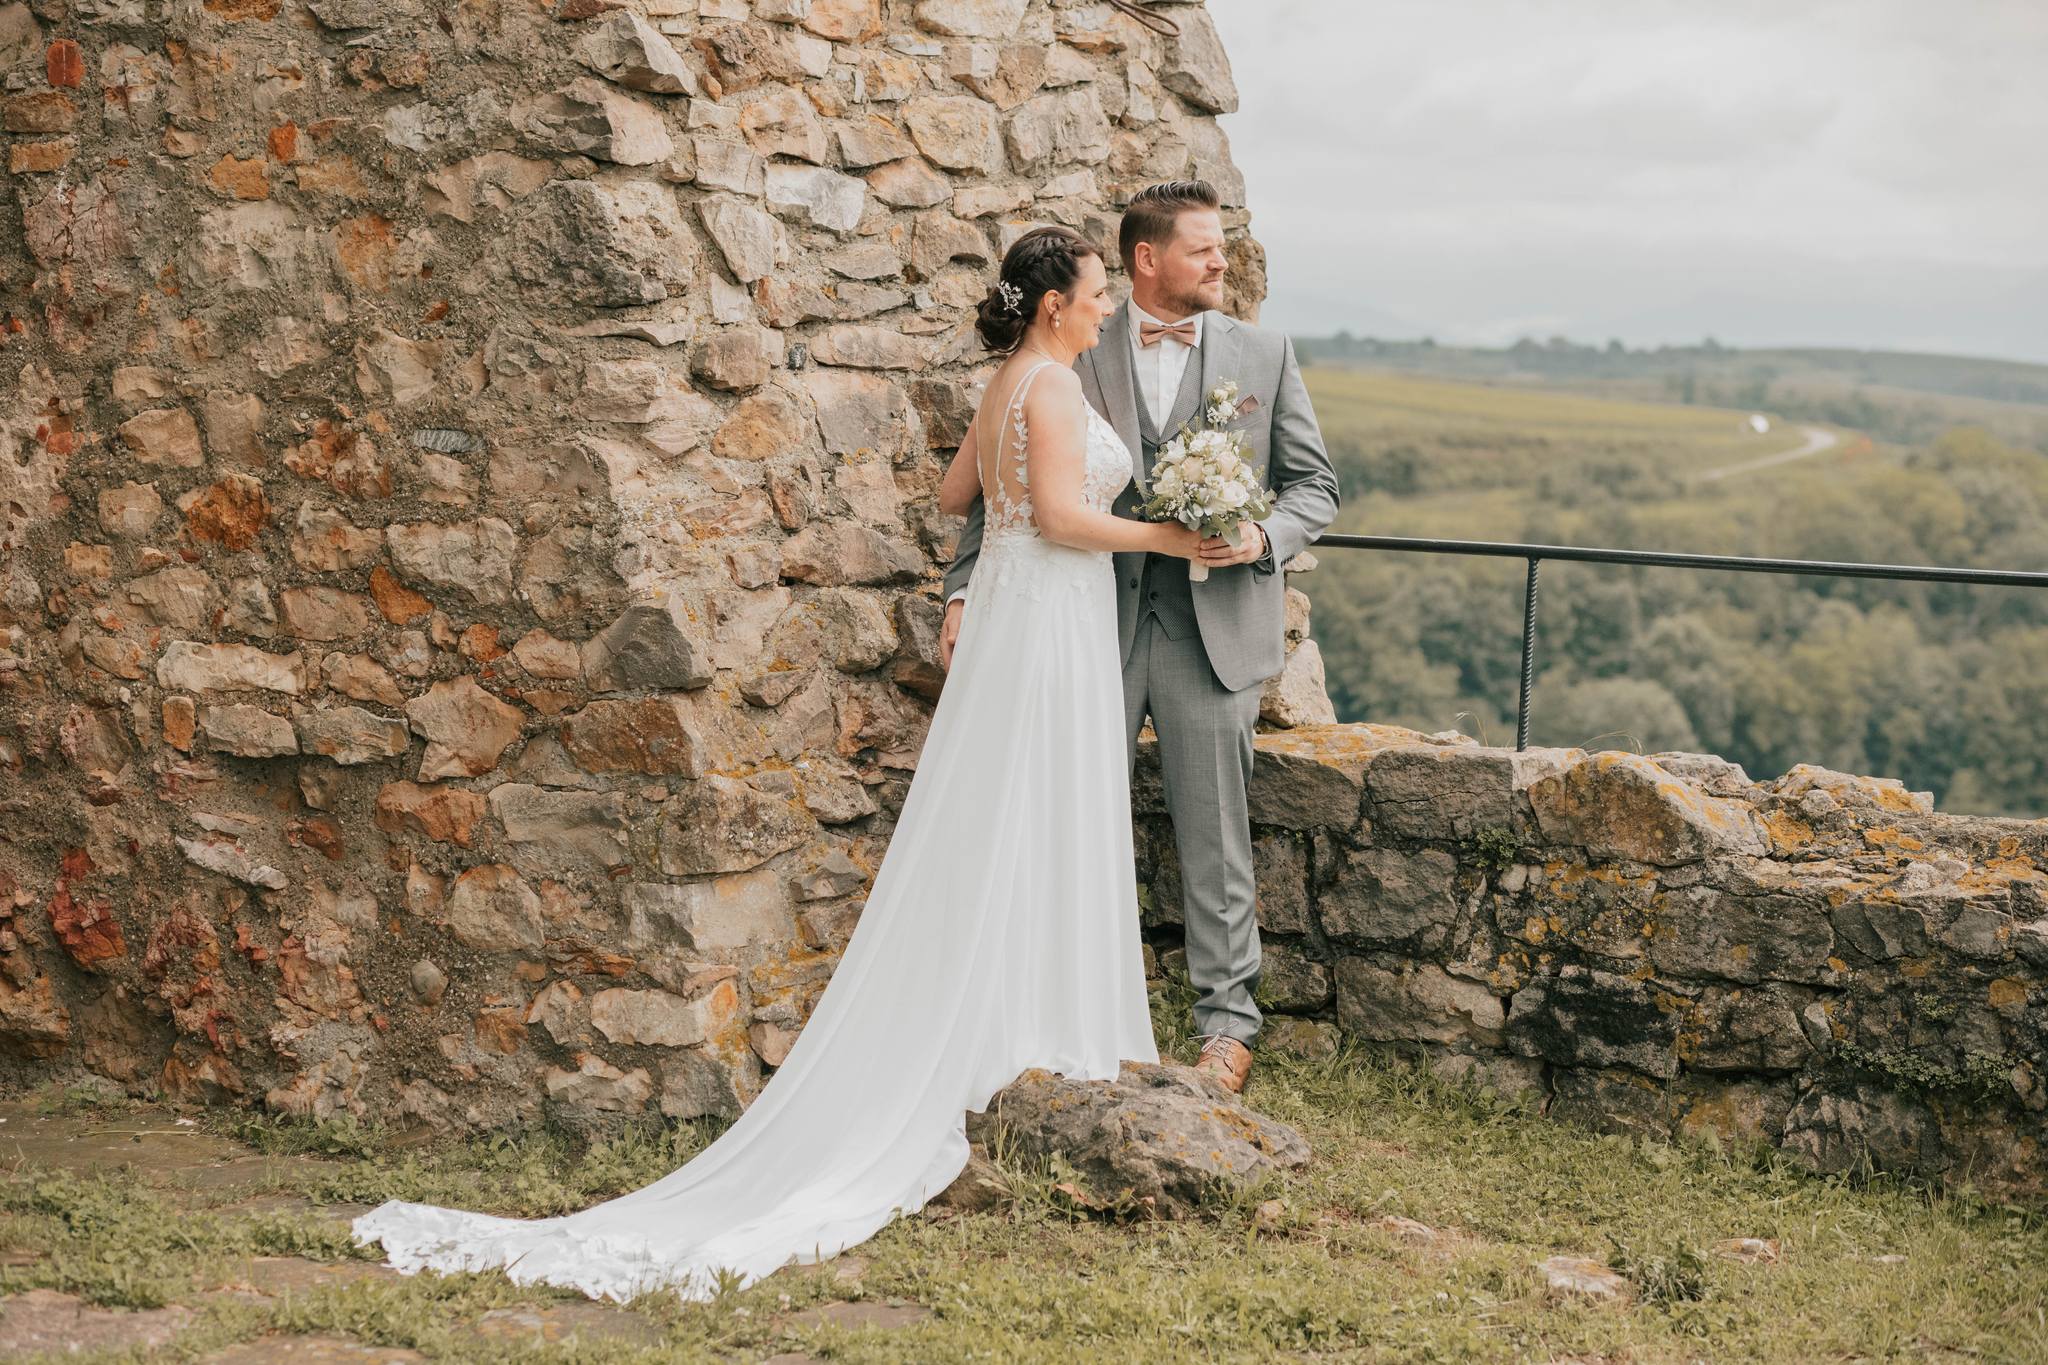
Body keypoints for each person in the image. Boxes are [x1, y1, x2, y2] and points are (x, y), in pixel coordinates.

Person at [348, 225, 1202, 1304]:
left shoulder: (1008, 383)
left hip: (1018, 610)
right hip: (1048, 617)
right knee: (1037, 807)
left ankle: (1021, 1021)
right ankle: (1028, 1035)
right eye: (1094, 297)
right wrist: (1170, 536)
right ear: (1051, 306)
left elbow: (957, 500)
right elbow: (1071, 518)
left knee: (1010, 810)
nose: (1107, 312)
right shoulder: (1045, 386)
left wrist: (1018, 522)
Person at [943, 181, 1340, 1095]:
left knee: (1216, 836)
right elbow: (1017, 480)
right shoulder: (1072, 345)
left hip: (1213, 629)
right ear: (1145, 260)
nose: (1221, 264)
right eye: (1204, 250)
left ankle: (1228, 1027)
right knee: (1063, 817)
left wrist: (1262, 537)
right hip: (1088, 621)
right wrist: (965, 585)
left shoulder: (1264, 354)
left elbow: (1315, 486)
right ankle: (1048, 1013)